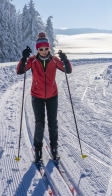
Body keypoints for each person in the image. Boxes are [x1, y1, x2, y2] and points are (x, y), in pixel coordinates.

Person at [16, 32, 72, 163]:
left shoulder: (54, 60)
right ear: (37, 49)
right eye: (41, 49)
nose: (43, 51)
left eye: (46, 48)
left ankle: (54, 149)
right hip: (37, 96)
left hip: (52, 95)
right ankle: (38, 150)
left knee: (53, 123)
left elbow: (67, 70)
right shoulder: (32, 60)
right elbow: (20, 71)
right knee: (39, 123)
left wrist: (65, 59)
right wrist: (23, 58)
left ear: (49, 48)